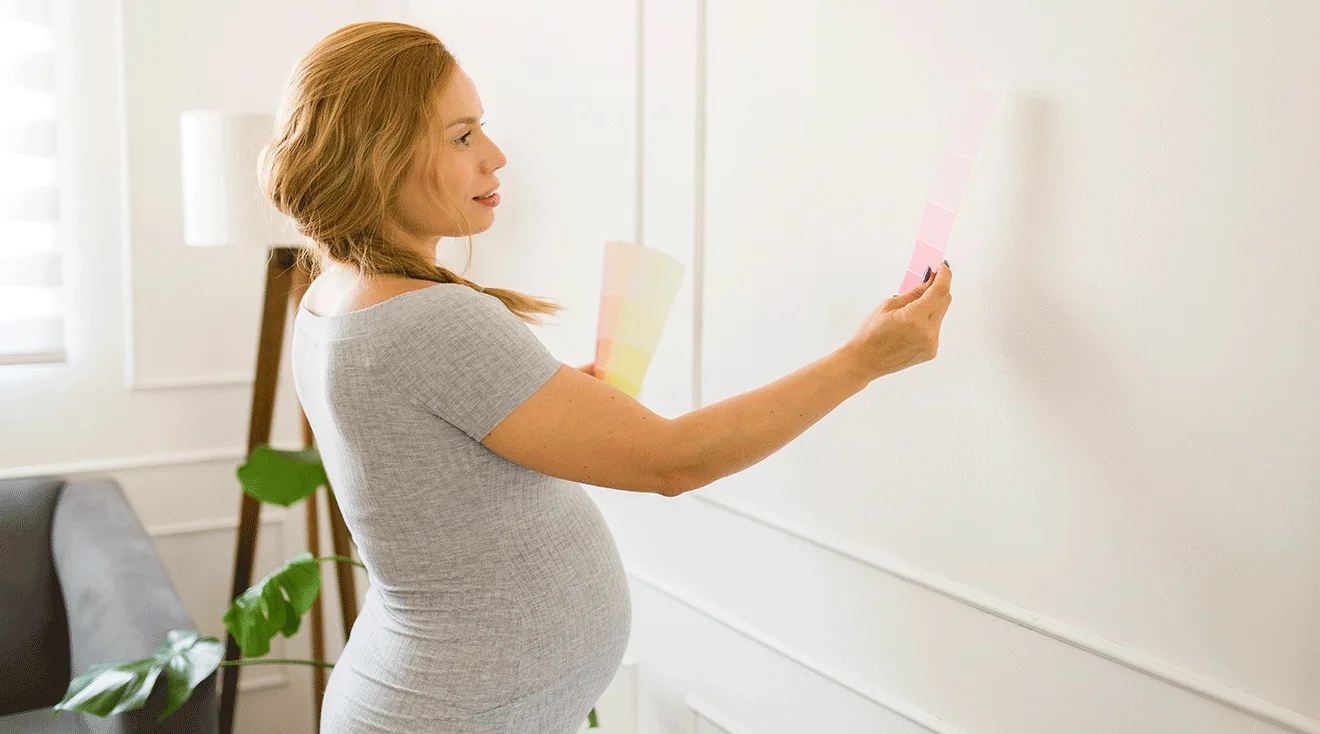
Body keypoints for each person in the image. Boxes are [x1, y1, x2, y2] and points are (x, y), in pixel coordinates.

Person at [262, 20, 953, 734]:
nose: (495, 157)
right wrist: (861, 362)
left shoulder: (334, 296)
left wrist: (557, 396)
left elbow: (429, 451)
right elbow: (673, 462)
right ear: (379, 156)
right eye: (462, 136)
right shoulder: (430, 319)